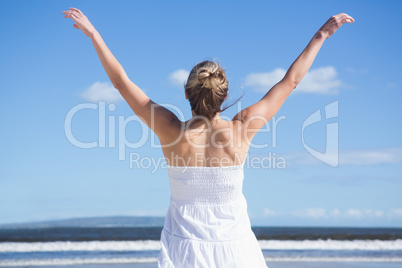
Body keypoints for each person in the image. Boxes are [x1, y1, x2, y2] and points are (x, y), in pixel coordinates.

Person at [62, 7, 354, 268]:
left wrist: (93, 34)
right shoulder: (242, 128)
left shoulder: (170, 130)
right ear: (224, 95)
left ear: (186, 93)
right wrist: (321, 36)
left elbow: (120, 82)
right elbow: (291, 82)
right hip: (237, 251)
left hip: (182, 252)